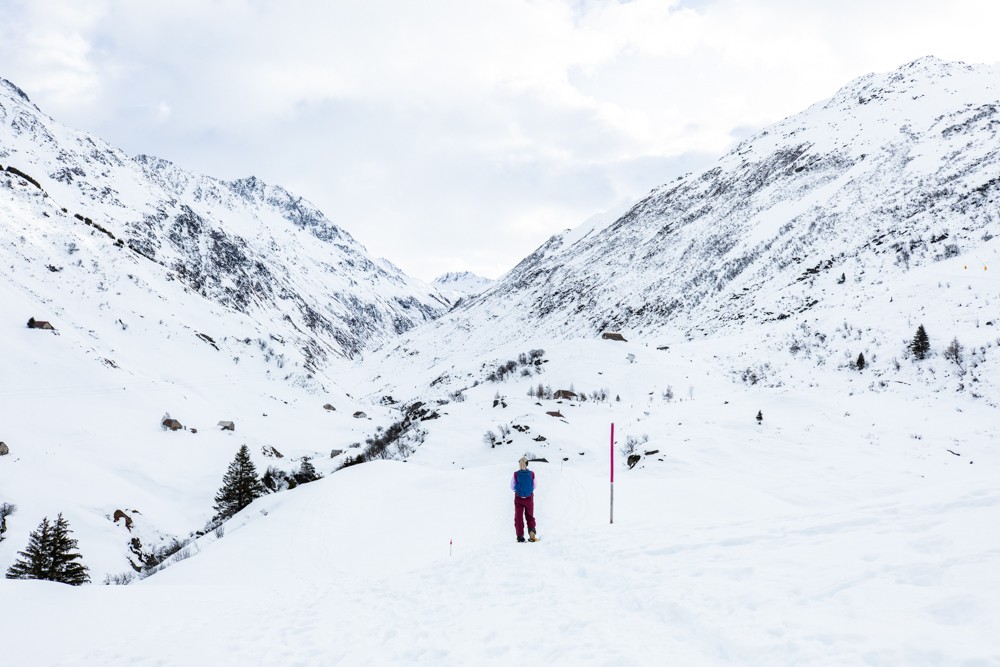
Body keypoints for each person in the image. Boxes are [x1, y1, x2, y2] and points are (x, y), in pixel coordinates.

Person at [510, 456, 538, 542]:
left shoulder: (515, 474)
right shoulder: (532, 473)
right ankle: (532, 533)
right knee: (529, 516)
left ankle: (520, 537)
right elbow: (535, 486)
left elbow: (511, 487)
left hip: (519, 498)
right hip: (529, 498)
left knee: (518, 517)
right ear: (527, 464)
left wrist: (517, 490)